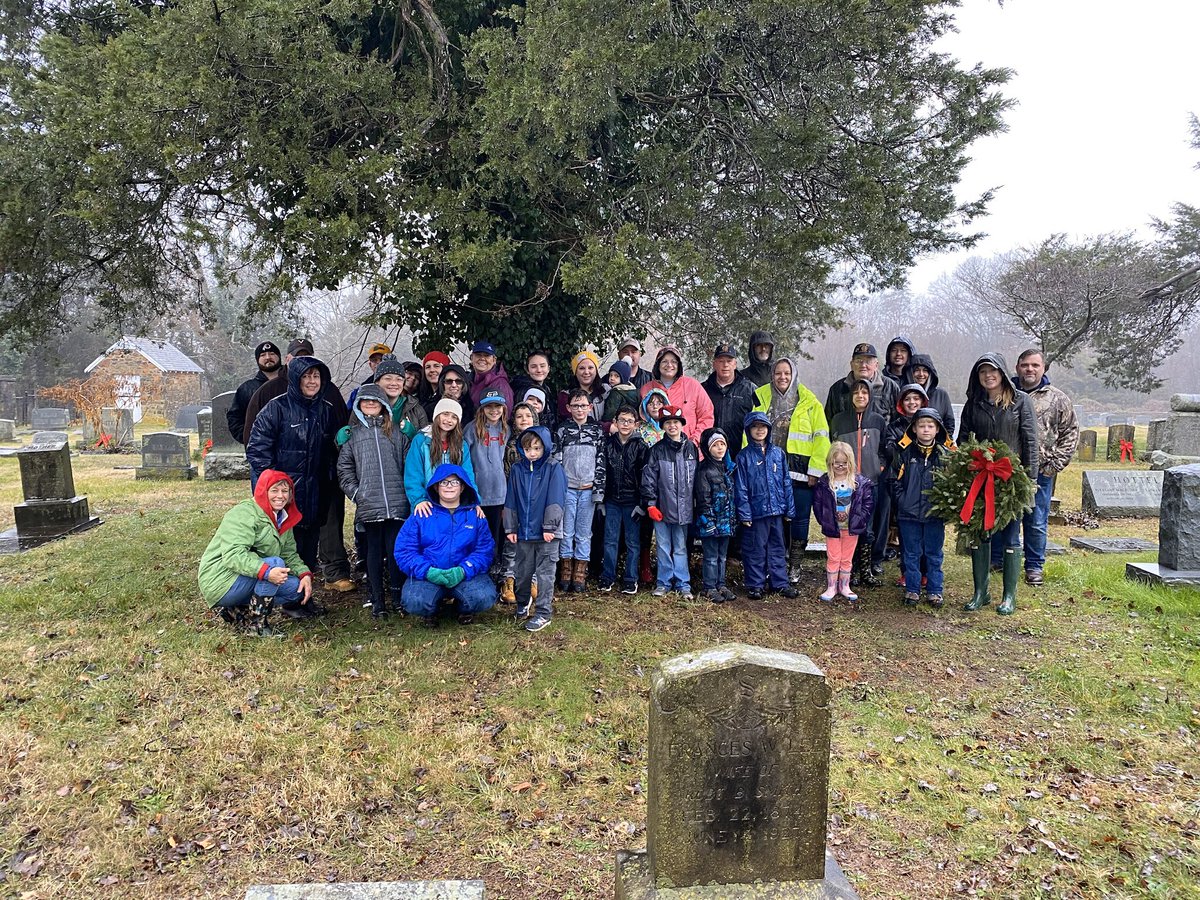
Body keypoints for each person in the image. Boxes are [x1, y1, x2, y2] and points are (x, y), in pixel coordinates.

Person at [242, 340, 354, 593]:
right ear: (296, 378)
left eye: (316, 376)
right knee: (284, 546)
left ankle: (303, 594)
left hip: (316, 490)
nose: (312, 381)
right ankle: (283, 595)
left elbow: (334, 447)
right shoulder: (276, 408)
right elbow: (257, 449)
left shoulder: (326, 410)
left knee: (308, 547)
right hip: (285, 491)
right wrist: (274, 485)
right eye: (307, 377)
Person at [959, 352, 1039, 616]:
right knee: (982, 534)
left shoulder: (1021, 401)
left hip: (1010, 478)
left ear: (1002, 373)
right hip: (981, 477)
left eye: (992, 371)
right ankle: (981, 592)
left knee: (1011, 535)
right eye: (983, 372)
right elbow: (963, 441)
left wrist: (1030, 479)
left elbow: (1029, 441)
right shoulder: (974, 404)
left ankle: (1008, 596)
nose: (988, 376)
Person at [198, 469, 313, 636]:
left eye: (285, 491)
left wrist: (304, 574)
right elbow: (233, 555)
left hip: (247, 576)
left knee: (296, 589)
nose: (280, 496)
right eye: (274, 490)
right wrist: (267, 572)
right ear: (262, 491)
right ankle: (257, 625)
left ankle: (236, 610)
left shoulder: (282, 516)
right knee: (275, 564)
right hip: (220, 580)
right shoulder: (243, 513)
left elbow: (289, 554)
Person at [751, 357, 830, 583]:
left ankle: (795, 565)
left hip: (801, 473)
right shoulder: (761, 396)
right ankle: (775, 563)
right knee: (773, 518)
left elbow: (822, 437)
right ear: (772, 374)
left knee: (800, 519)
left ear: (794, 374)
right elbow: (751, 430)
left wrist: (816, 470)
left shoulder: (810, 401)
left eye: (787, 373)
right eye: (778, 373)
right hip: (768, 471)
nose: (782, 377)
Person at [337, 384, 411, 618]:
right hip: (370, 504)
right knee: (374, 553)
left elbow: (410, 465)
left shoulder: (396, 435)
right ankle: (377, 599)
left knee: (395, 550)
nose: (370, 405)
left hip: (397, 502)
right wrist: (357, 493)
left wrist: (407, 491)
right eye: (365, 402)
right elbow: (344, 468)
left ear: (383, 405)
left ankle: (398, 596)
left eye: (375, 402)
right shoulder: (354, 436)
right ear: (358, 406)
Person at [394, 465, 497, 627]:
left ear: (463, 487)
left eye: (455, 482)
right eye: (444, 482)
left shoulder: (475, 515)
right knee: (414, 601)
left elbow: (484, 551)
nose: (449, 486)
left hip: (465, 576)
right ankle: (432, 611)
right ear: (436, 486)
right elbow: (404, 551)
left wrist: (464, 570)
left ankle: (463, 608)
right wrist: (428, 571)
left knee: (484, 597)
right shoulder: (421, 514)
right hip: (429, 576)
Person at [1013, 349, 1079, 586]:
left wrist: (1054, 465)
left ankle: (1034, 566)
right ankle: (999, 560)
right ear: (1017, 367)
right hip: (1008, 469)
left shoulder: (1057, 398)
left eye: (1034, 365)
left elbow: (1070, 432)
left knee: (1036, 519)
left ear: (1043, 369)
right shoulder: (1007, 394)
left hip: (1041, 470)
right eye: (1025, 365)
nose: (1029, 369)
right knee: (1005, 518)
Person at [888, 409, 954, 608]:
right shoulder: (905, 453)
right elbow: (893, 480)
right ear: (914, 429)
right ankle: (913, 589)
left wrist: (944, 507)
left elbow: (952, 483)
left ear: (937, 429)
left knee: (934, 553)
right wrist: (903, 501)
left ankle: (935, 590)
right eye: (922, 426)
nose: (926, 430)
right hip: (909, 515)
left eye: (930, 426)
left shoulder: (945, 455)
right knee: (911, 552)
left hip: (934, 514)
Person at [504, 427, 566, 632]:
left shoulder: (553, 468)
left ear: (545, 447)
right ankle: (523, 604)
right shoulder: (517, 469)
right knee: (522, 572)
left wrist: (550, 526)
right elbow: (511, 499)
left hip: (548, 533)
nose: (533, 453)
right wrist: (511, 526)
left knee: (545, 574)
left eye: (537, 448)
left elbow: (556, 498)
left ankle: (543, 613)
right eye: (528, 449)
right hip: (523, 532)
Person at [734, 411, 799, 600]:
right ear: (748, 431)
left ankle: (780, 583)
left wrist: (789, 508)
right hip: (756, 512)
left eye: (763, 426)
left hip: (777, 510)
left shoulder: (778, 454)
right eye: (755, 427)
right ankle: (755, 584)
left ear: (769, 429)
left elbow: (786, 482)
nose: (759, 430)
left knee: (778, 547)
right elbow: (741, 486)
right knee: (755, 549)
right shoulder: (743, 457)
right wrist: (744, 513)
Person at [828, 379, 887, 587]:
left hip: (870, 483)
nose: (860, 396)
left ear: (870, 396)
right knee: (847, 526)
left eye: (864, 392)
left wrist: (879, 466)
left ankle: (866, 571)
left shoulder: (878, 421)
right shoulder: (838, 420)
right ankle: (847, 568)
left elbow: (886, 449)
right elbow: (832, 448)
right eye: (856, 392)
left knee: (867, 527)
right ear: (850, 396)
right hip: (846, 483)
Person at [642, 406, 698, 598]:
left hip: (684, 509)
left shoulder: (691, 448)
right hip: (662, 508)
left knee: (681, 546)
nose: (672, 426)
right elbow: (648, 479)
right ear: (663, 426)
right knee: (664, 546)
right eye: (668, 423)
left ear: (682, 424)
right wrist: (650, 504)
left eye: (676, 422)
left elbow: (696, 480)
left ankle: (683, 584)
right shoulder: (656, 450)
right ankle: (663, 582)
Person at [554, 388, 606, 593]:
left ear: (590, 407)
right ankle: (566, 568)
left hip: (587, 489)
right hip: (568, 489)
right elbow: (557, 461)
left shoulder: (597, 431)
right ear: (568, 408)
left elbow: (601, 462)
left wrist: (598, 490)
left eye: (583, 405)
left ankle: (580, 571)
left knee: (584, 532)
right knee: (566, 530)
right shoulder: (562, 430)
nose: (579, 409)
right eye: (575, 406)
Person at [811, 442, 874, 602]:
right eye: (836, 462)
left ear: (850, 462)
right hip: (833, 528)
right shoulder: (824, 483)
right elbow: (818, 505)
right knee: (833, 557)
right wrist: (825, 520)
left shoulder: (860, 483)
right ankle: (831, 586)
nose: (840, 466)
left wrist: (858, 519)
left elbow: (867, 504)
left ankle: (844, 586)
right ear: (830, 462)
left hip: (851, 528)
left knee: (846, 558)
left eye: (844, 463)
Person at [599, 406, 648, 594]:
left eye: (629, 421)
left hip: (632, 502)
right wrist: (601, 499)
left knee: (632, 542)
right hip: (611, 500)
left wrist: (642, 503)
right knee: (610, 540)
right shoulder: (608, 444)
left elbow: (646, 478)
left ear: (636, 424)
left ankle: (630, 578)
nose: (625, 424)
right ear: (615, 422)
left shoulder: (641, 447)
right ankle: (607, 576)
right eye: (622, 420)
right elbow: (602, 471)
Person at [499, 402, 539, 603]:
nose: (524, 420)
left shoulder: (542, 443)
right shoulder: (510, 445)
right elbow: (505, 473)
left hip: (535, 502)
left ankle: (531, 580)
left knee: (532, 542)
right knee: (512, 541)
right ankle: (508, 579)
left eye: (528, 416)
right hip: (514, 500)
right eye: (520, 416)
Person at [405, 398, 476, 512]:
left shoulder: (461, 445)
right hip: (427, 505)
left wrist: (472, 499)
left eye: (454, 417)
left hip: (454, 504)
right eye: (445, 414)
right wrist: (419, 500)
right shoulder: (421, 441)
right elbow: (413, 474)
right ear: (436, 416)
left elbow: (468, 474)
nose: (449, 420)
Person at [465, 390, 510, 567]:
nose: (494, 410)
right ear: (482, 408)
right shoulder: (472, 428)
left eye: (497, 406)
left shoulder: (506, 429)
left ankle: (495, 567)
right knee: (478, 534)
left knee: (496, 533)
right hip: (479, 492)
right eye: (489, 406)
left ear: (503, 408)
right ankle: (478, 566)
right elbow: (464, 458)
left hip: (500, 492)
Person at [639, 346, 714, 447]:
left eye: (674, 361)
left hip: (691, 452)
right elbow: (642, 420)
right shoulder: (646, 389)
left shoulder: (693, 385)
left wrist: (693, 442)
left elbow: (707, 416)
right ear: (657, 365)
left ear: (679, 365)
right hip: (656, 454)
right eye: (664, 361)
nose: (669, 365)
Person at [694, 427, 737, 603]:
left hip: (726, 521)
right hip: (710, 522)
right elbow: (703, 500)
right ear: (708, 448)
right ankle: (709, 587)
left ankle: (721, 584)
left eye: (722, 444)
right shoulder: (704, 470)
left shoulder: (728, 468)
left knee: (722, 556)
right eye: (715, 445)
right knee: (711, 557)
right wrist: (708, 521)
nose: (720, 448)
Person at [702, 341, 757, 459]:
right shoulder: (703, 390)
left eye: (729, 361)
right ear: (714, 364)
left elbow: (759, 421)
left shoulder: (750, 390)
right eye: (721, 361)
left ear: (735, 364)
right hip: (710, 457)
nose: (725, 365)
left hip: (742, 456)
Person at [824, 342, 899, 426]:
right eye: (859, 361)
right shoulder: (837, 389)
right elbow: (828, 421)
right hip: (845, 438)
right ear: (851, 364)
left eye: (868, 361)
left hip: (881, 438)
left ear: (876, 365)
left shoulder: (889, 387)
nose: (863, 365)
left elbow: (898, 422)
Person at [228, 341, 281, 444]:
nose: (267, 357)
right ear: (257, 360)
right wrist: (249, 438)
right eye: (263, 355)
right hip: (260, 450)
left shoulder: (292, 383)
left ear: (279, 357)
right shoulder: (247, 388)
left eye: (272, 354)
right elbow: (235, 417)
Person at [903, 353, 955, 438]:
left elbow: (949, 424)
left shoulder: (941, 394)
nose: (921, 374)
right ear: (910, 372)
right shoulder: (903, 394)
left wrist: (940, 446)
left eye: (925, 370)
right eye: (917, 370)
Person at [511, 352, 558, 429]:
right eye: (533, 367)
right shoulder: (522, 390)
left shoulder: (547, 390)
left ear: (549, 368)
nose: (539, 370)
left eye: (542, 366)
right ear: (527, 369)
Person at [558, 350, 607, 421]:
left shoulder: (606, 390)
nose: (586, 372)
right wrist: (607, 427)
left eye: (590, 368)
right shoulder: (565, 396)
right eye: (581, 368)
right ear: (575, 372)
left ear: (596, 370)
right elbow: (570, 422)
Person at [345, 342, 393, 409]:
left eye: (382, 359)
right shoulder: (360, 391)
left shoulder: (399, 386)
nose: (378, 363)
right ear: (370, 364)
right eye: (374, 360)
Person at [467, 340, 514, 409]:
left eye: (487, 355)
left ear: (494, 360)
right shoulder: (469, 380)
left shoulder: (500, 384)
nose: (482, 358)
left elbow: (505, 415)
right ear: (471, 358)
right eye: (478, 355)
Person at [602, 359, 642, 426]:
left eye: (616, 376)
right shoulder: (633, 390)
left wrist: (604, 422)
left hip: (617, 423)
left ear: (624, 378)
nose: (612, 378)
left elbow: (610, 411)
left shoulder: (616, 393)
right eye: (611, 375)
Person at [417, 351, 451, 419]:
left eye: (436, 366)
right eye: (428, 367)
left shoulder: (450, 396)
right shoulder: (421, 397)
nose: (432, 370)